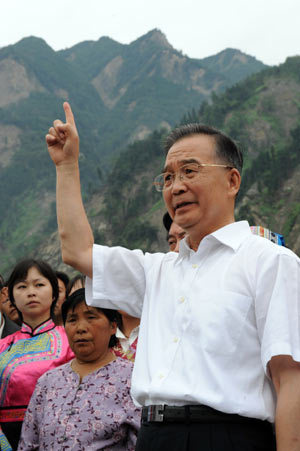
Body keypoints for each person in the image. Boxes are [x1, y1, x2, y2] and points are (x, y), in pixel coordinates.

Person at [46, 102, 300, 451]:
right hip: (154, 435)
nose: (176, 186)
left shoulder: (270, 262)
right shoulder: (156, 271)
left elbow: (290, 379)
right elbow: (77, 251)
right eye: (167, 177)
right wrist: (67, 165)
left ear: (232, 180)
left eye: (190, 171)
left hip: (230, 438)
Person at [18, 288, 141, 450]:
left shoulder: (133, 378)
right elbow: (28, 443)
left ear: (113, 326)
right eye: (72, 320)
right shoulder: (48, 381)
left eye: (91, 317)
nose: (80, 328)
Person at [0, 259, 74, 451]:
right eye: (22, 286)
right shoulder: (2, 346)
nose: (31, 292)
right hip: (7, 438)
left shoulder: (71, 341)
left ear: (54, 294)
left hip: (63, 435)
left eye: (39, 284)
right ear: (12, 297)